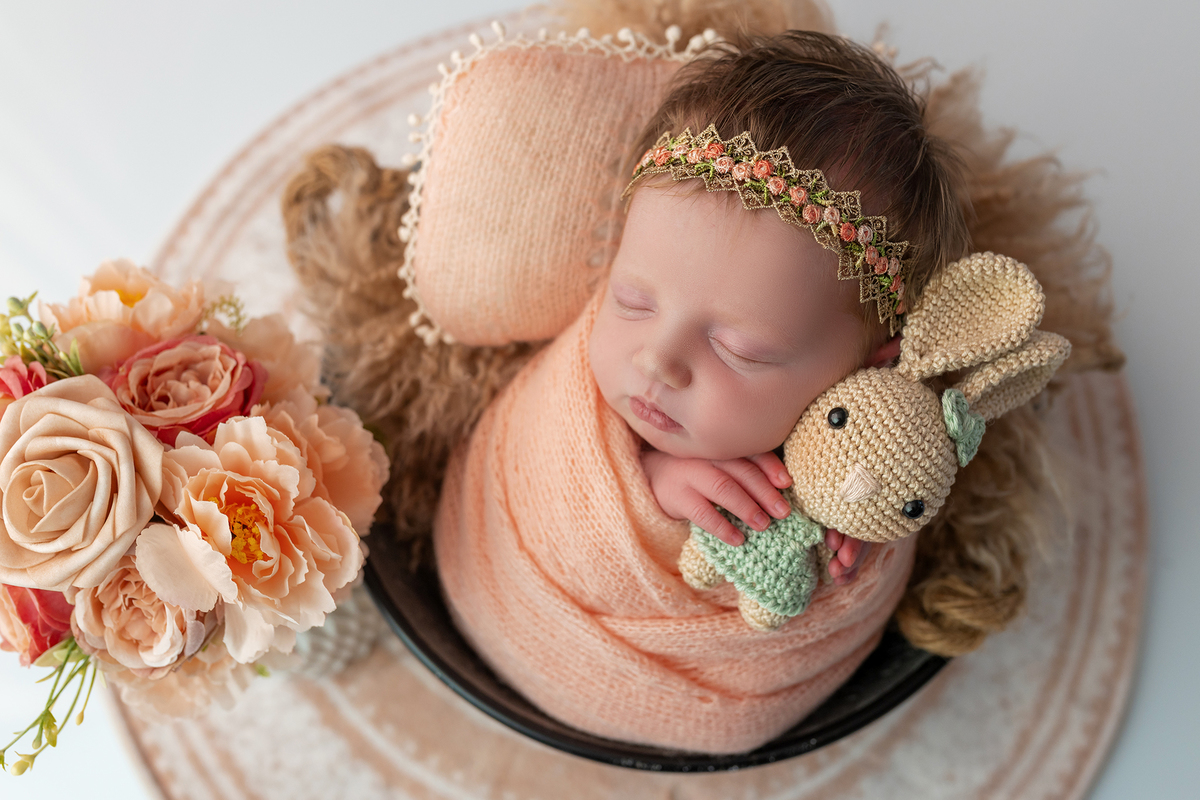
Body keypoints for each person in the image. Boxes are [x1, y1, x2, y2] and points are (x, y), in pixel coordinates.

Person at [590, 30, 967, 584]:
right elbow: (522, 470)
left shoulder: (883, 446)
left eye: (738, 350)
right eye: (632, 301)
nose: (656, 361)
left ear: (870, 368)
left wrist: (855, 507)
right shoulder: (579, 390)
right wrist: (644, 481)